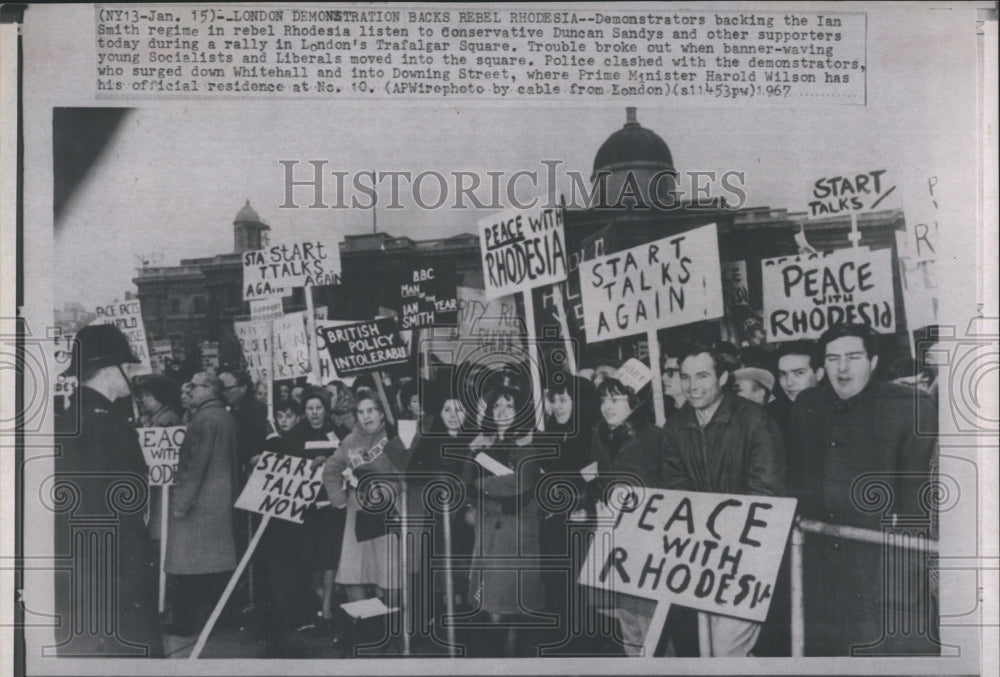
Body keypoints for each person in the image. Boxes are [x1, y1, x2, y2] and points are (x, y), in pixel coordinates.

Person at [788, 323, 938, 656]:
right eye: (832, 358)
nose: (842, 368)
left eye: (853, 357)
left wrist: (906, 563)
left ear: (872, 361)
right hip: (820, 562)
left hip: (881, 563)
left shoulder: (910, 406)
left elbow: (918, 498)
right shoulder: (807, 405)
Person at [661, 344, 785, 657]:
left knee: (726, 649)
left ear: (723, 377)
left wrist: (727, 535)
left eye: (702, 376)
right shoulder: (675, 426)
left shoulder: (755, 420)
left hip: (745, 556)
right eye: (686, 377)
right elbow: (674, 487)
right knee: (701, 646)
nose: (692, 386)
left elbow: (767, 490)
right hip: (700, 557)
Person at [53, 325, 163, 657]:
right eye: (128, 368)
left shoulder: (78, 415)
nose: (133, 375)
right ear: (106, 369)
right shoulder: (102, 422)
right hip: (114, 567)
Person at [464, 373, 546, 657]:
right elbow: (466, 486)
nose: (501, 412)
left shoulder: (527, 445)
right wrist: (486, 496)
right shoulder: (480, 444)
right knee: (492, 608)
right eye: (496, 406)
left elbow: (520, 487)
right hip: (488, 534)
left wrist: (481, 486)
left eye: (508, 406)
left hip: (515, 538)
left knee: (506, 608)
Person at [587, 373, 666, 656]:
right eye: (603, 399)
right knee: (626, 621)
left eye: (616, 399)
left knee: (652, 625)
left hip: (648, 542)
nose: (608, 406)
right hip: (614, 539)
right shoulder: (600, 436)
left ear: (634, 402)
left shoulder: (656, 437)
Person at [163, 372, 239, 637]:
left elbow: (194, 465)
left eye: (194, 386)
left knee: (186, 564)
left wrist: (181, 501)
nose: (190, 390)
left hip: (199, 505)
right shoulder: (224, 417)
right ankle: (223, 617)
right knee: (213, 565)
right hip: (218, 502)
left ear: (208, 389)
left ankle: (183, 623)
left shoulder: (203, 420)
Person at [322, 389, 409, 606]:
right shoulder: (350, 441)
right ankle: (364, 624)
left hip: (389, 509)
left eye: (371, 411)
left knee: (388, 573)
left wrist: (388, 490)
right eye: (361, 412)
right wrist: (339, 499)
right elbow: (331, 470)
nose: (366, 416)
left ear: (381, 414)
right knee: (354, 572)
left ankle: (393, 625)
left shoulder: (393, 439)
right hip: (357, 509)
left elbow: (406, 477)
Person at [405, 374, 476, 633]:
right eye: (447, 409)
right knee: (437, 571)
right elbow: (411, 473)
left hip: (466, 519)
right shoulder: (430, 439)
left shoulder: (477, 441)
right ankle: (439, 620)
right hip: (436, 518)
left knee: (463, 569)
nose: (453, 415)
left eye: (459, 409)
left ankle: (462, 617)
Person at [539, 374, 598, 628]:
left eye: (564, 399)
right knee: (556, 580)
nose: (558, 406)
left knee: (581, 580)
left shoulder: (592, 434)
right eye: (553, 399)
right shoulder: (549, 432)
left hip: (582, 519)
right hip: (554, 520)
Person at [294, 388, 346, 626]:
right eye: (309, 408)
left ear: (326, 410)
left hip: (331, 504)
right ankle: (320, 596)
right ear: (304, 411)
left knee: (329, 556)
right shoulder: (296, 434)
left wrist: (329, 463)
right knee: (311, 557)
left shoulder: (339, 433)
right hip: (306, 506)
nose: (314, 413)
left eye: (318, 408)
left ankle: (326, 608)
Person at [133, 375, 183, 542]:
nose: (143, 400)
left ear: (160, 397)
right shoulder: (156, 418)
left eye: (148, 396)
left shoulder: (166, 419)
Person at [768, 340, 824, 436]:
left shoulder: (839, 411)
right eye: (783, 374)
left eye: (799, 373)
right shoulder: (770, 416)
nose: (789, 382)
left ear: (819, 374)